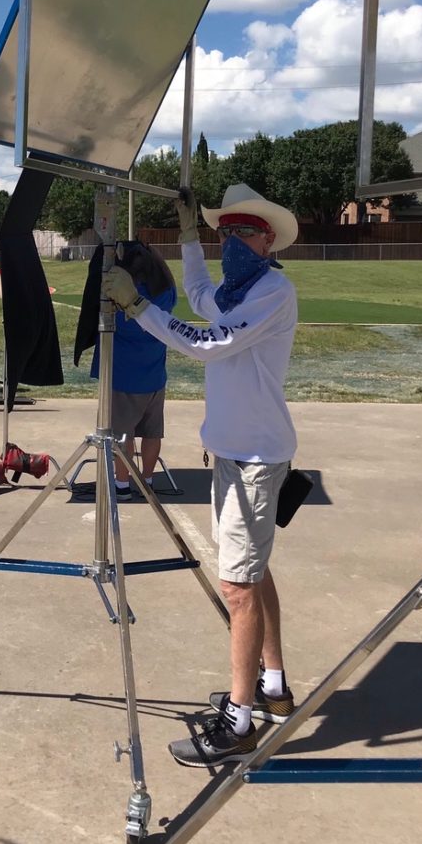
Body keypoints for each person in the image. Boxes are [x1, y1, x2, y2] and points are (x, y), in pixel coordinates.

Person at [104, 182, 299, 767]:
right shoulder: (239, 290)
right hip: (238, 455)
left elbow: (210, 345)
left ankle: (239, 723)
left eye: (246, 231)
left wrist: (139, 309)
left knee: (237, 586)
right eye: (226, 231)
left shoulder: (272, 292)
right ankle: (272, 686)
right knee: (253, 573)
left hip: (257, 462)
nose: (234, 240)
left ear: (269, 240)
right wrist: (188, 237)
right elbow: (197, 294)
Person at [88, 241, 177, 501]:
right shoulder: (166, 292)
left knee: (122, 435)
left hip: (124, 378)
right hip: (154, 377)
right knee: (152, 433)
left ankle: (123, 485)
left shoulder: (120, 296)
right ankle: (147, 481)